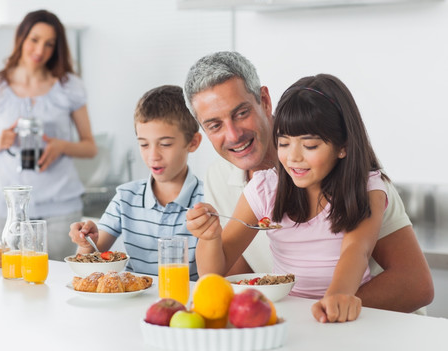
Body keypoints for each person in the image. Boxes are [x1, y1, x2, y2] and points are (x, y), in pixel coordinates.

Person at [183, 51, 433, 313]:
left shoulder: (363, 185)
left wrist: (328, 304)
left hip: (374, 320)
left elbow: (364, 255)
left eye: (241, 113)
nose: (233, 134)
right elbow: (225, 273)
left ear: (265, 101)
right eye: (214, 125)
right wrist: (209, 238)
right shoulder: (250, 184)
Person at [0, 10, 97, 261]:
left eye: (49, 44)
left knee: (60, 283)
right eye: (34, 39)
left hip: (60, 210)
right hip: (7, 210)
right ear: (20, 38)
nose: (40, 49)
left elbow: (90, 147)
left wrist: (62, 146)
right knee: (6, 280)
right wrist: (0, 141)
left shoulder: (68, 86)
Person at [68, 85, 203, 280]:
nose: (152, 156)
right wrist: (87, 243)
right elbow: (89, 265)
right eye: (144, 144)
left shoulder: (209, 200)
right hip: (134, 302)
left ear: (193, 142)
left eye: (165, 144)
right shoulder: (126, 197)